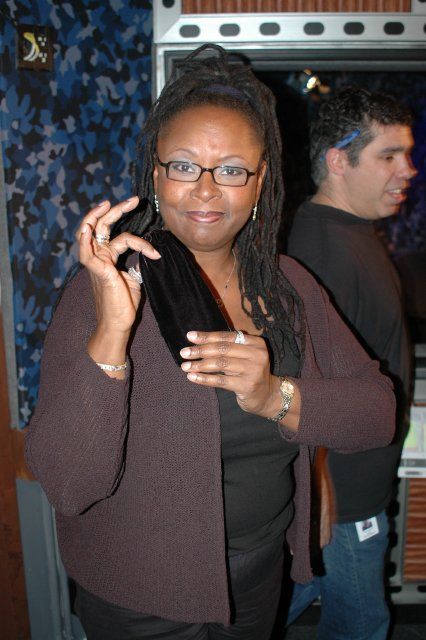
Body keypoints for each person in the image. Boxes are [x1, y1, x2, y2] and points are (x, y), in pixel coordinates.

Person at [25, 46, 395, 640]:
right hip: (140, 595)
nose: (205, 190)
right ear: (155, 175)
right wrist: (111, 333)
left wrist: (275, 395)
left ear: (260, 182)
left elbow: (377, 414)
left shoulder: (289, 287)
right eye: (183, 166)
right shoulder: (105, 286)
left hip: (260, 574)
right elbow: (69, 484)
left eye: (230, 170)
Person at [286, 86, 416, 640]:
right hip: (345, 498)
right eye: (389, 156)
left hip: (354, 487)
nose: (408, 170)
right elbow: (306, 386)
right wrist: (321, 495)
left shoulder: (352, 231)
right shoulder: (323, 252)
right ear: (339, 161)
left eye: (408, 154)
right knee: (362, 627)